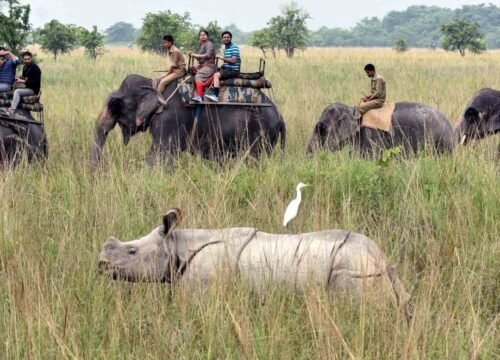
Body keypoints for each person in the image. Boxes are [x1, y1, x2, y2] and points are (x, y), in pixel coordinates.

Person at [205, 31, 240, 102]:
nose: (226, 39)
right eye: (224, 37)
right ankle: (212, 89)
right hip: (227, 69)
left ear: (231, 38)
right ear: (222, 39)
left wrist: (221, 58)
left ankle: (215, 95)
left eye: (228, 37)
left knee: (216, 75)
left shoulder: (234, 47)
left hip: (232, 71)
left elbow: (233, 61)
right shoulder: (226, 48)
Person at [5, 51, 41, 116]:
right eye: (25, 59)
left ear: (31, 58)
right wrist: (19, 78)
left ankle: (12, 110)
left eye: (28, 59)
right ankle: (11, 106)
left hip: (33, 90)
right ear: (23, 59)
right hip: (26, 87)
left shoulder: (35, 68)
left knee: (17, 91)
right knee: (12, 89)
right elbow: (25, 78)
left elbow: (36, 82)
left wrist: (23, 81)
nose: (27, 61)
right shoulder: (25, 67)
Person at [190, 29, 216, 102]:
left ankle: (199, 96)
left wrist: (196, 55)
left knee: (198, 76)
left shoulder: (209, 44)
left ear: (207, 36)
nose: (202, 36)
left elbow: (208, 55)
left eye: (204, 35)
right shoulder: (202, 45)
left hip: (209, 66)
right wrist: (194, 56)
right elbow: (200, 59)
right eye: (201, 35)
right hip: (203, 66)